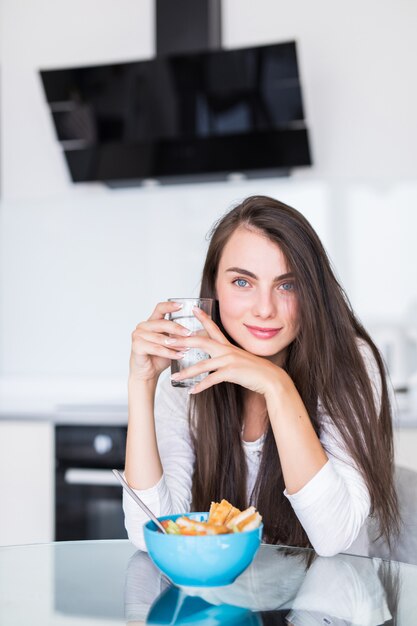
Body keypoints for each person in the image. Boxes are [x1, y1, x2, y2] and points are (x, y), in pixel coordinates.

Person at [123, 195, 399, 556]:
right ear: (214, 287)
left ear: (312, 292)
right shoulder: (192, 372)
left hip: (330, 605)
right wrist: (141, 385)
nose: (265, 309)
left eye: (288, 285)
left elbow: (333, 539)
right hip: (230, 602)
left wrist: (276, 385)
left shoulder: (349, 363)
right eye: (242, 282)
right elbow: (150, 534)